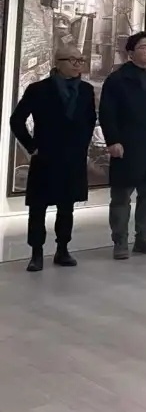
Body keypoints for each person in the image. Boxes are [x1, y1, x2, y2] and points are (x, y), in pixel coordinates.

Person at [8, 44, 97, 272]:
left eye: (81, 60)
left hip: (73, 157)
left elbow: (90, 120)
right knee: (38, 207)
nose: (78, 64)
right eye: (73, 60)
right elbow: (17, 120)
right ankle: (36, 253)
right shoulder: (39, 89)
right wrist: (32, 147)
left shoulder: (86, 90)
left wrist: (82, 145)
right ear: (58, 63)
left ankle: (62, 249)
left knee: (67, 206)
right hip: (46, 156)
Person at [99, 31, 146, 260]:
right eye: (143, 47)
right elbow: (107, 113)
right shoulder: (117, 79)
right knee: (121, 196)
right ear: (131, 53)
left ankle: (143, 238)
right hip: (127, 147)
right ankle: (120, 241)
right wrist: (113, 140)